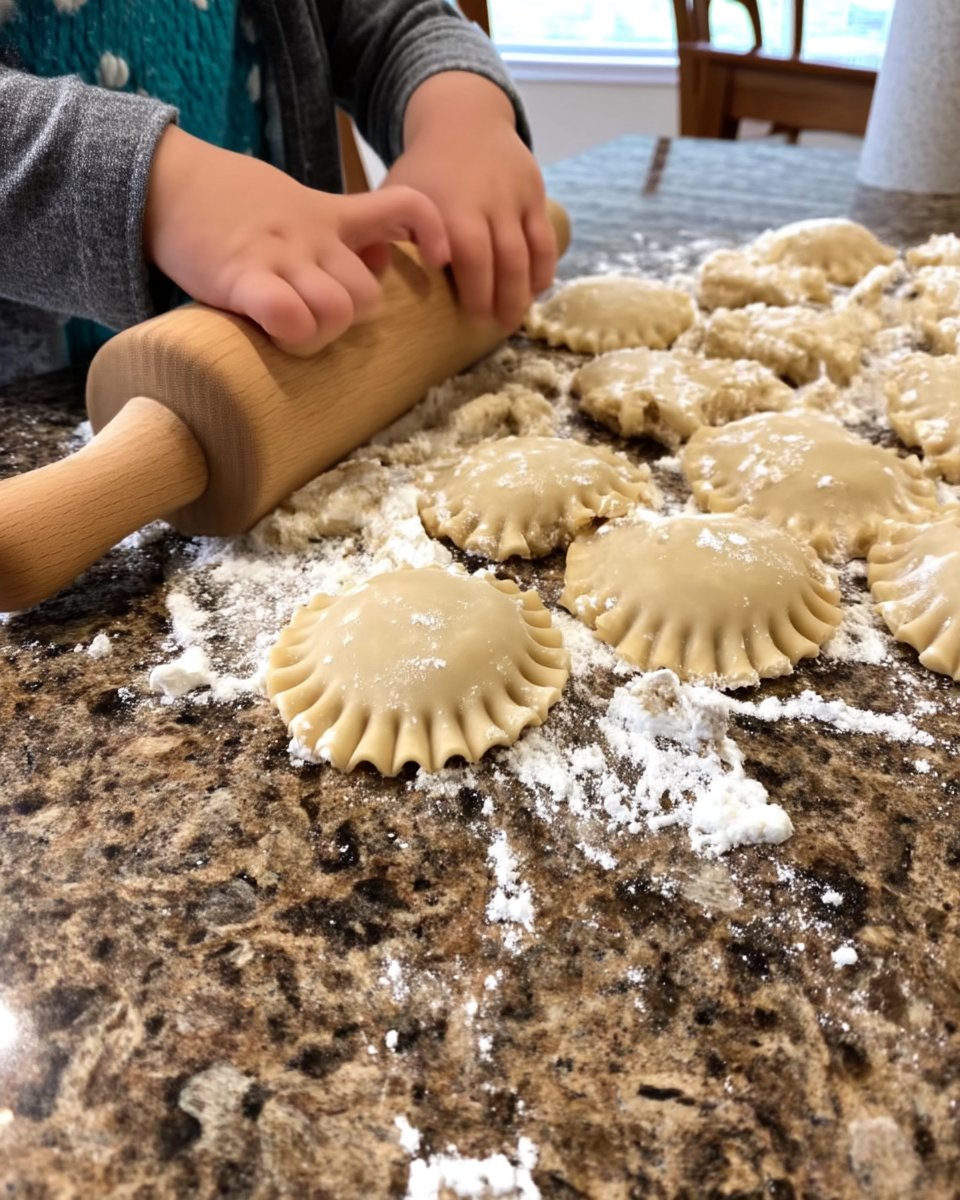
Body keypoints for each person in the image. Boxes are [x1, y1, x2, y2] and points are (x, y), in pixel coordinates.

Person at [0, 1, 557, 386]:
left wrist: (461, 113)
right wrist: (160, 187)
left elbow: (393, 22)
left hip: (292, 372)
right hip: (31, 432)